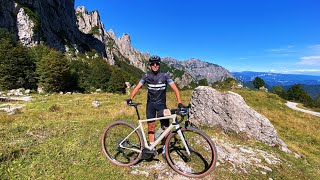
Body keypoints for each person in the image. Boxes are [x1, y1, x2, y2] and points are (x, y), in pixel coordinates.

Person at [127, 55, 183, 145]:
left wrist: (179, 102)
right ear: (150, 65)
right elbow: (137, 87)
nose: (155, 65)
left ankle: (165, 148)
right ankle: (151, 146)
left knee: (166, 127)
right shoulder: (146, 76)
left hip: (161, 105)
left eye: (157, 63)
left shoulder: (165, 76)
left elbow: (175, 89)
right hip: (150, 105)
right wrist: (131, 98)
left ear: (159, 64)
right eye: (153, 64)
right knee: (151, 126)